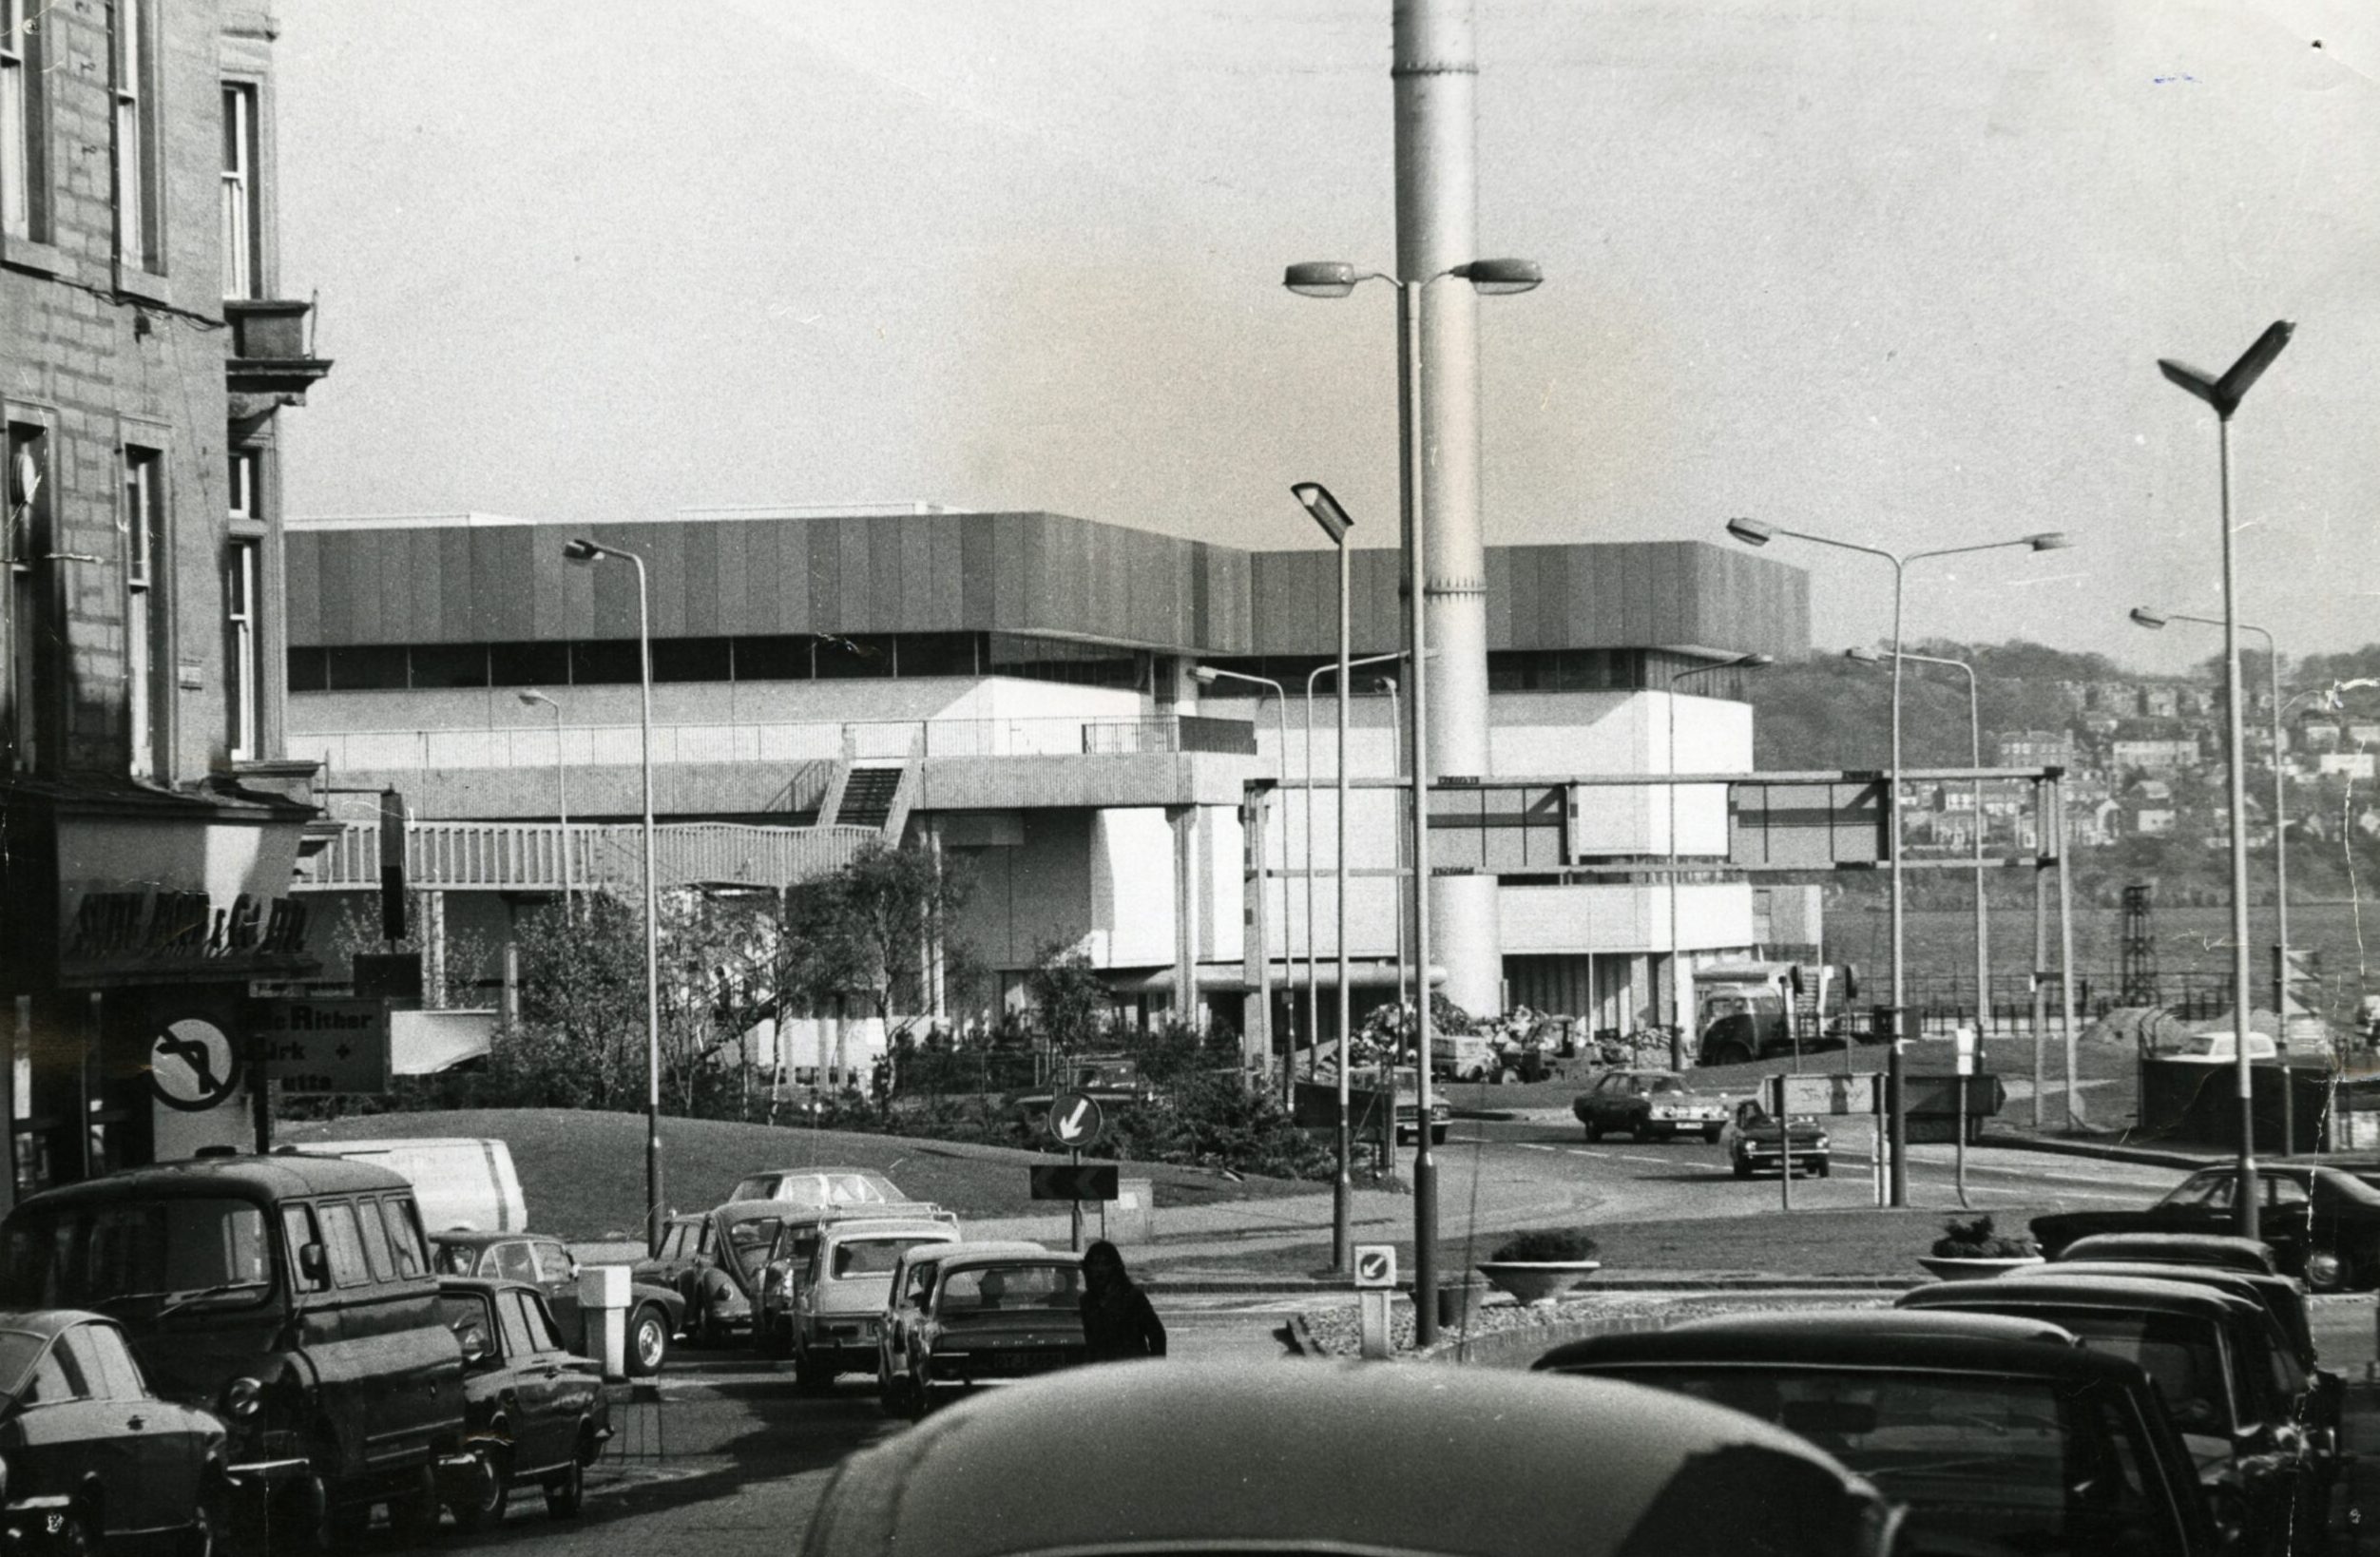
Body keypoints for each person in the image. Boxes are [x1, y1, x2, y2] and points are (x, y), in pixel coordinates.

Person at [1078, 1240, 1165, 1362]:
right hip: (1102, 1373)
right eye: (1095, 1264)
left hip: (1132, 1371)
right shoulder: (1086, 1302)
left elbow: (1157, 1335)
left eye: (1105, 1264)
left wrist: (1152, 1369)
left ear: (1114, 1267)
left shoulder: (1133, 1297)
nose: (1099, 1269)